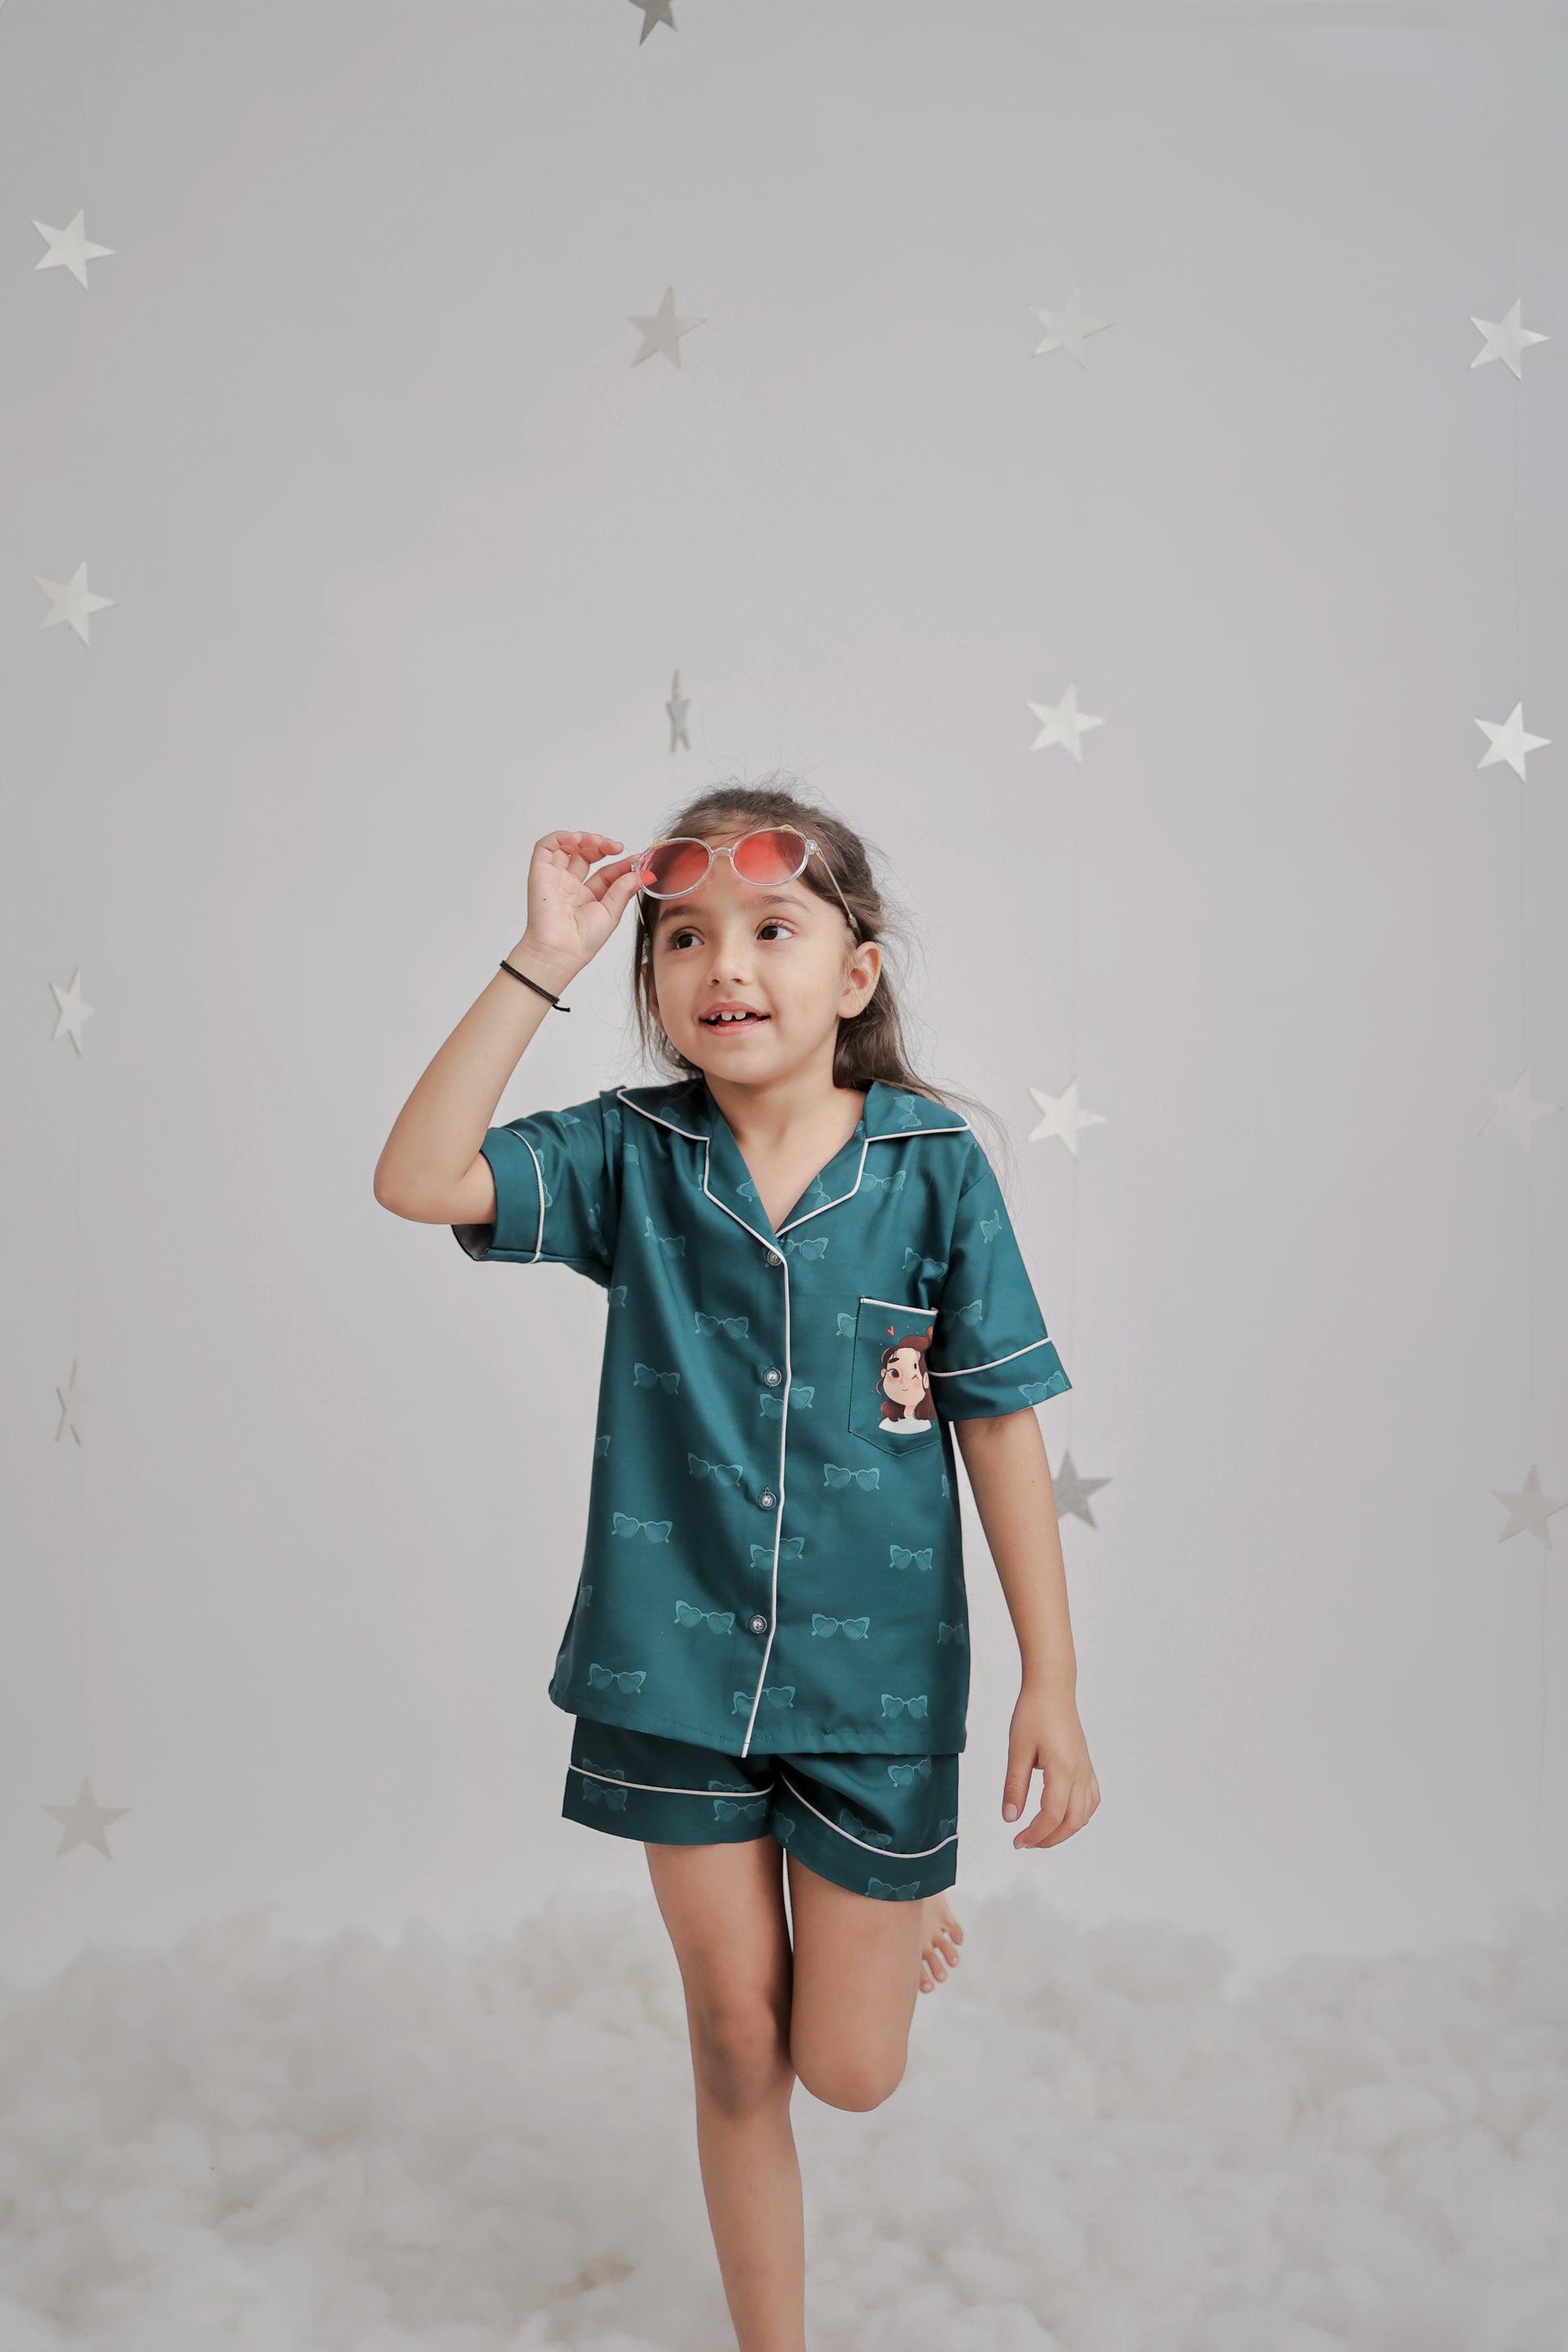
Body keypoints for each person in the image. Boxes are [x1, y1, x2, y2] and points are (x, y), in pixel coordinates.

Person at [374, 779, 1099, 2352]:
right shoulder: (629, 1156)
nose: (726, 963)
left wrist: (1051, 1680)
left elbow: (996, 1421)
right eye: (685, 936)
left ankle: (886, 1900)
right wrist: (539, 958)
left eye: (773, 928)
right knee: (730, 2039)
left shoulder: (932, 1166)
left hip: (877, 1685)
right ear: (652, 981)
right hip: (669, 1667)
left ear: (854, 971)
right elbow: (419, 1179)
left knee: (849, 2068)